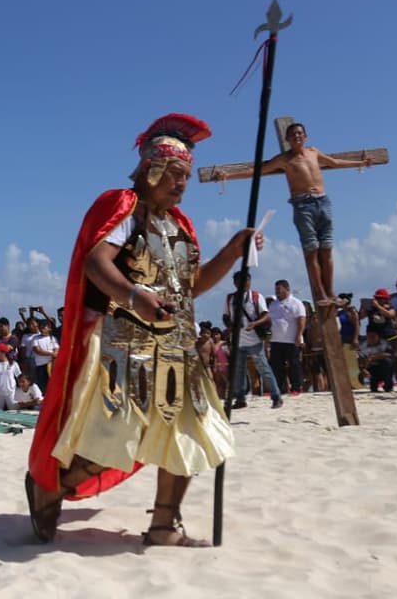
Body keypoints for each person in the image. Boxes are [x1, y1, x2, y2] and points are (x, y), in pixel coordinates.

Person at [25, 113, 261, 547]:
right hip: (124, 341)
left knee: (189, 431)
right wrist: (134, 296)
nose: (181, 183)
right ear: (151, 168)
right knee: (117, 437)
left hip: (176, 344)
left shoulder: (181, 226)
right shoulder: (123, 207)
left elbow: (191, 286)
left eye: (186, 176)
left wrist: (232, 251)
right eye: (174, 174)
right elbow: (95, 262)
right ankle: (50, 486)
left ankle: (164, 525)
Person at [222, 122, 370, 305]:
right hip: (303, 205)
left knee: (327, 249)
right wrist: (228, 176)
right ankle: (320, 294)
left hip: (323, 201)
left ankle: (330, 292)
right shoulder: (284, 159)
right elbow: (257, 171)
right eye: (293, 135)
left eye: (300, 133)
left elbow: (334, 162)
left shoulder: (313, 152)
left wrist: (360, 163)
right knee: (311, 250)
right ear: (288, 139)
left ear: (305, 136)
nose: (297, 137)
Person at [224, 272, 282, 409]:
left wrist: (255, 324)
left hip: (254, 340)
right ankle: (240, 399)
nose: (244, 283)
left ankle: (276, 396)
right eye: (241, 281)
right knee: (238, 371)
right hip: (238, 341)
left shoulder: (256, 296)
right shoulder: (230, 298)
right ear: (235, 283)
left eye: (247, 280)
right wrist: (230, 326)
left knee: (263, 368)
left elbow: (266, 315)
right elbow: (225, 316)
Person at [267, 279, 307, 396]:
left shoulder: (296, 303)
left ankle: (296, 387)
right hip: (276, 340)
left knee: (294, 364)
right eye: (276, 289)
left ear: (286, 289)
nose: (277, 292)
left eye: (279, 289)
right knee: (276, 365)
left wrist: (299, 336)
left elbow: (301, 320)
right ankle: (278, 388)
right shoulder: (273, 304)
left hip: (291, 340)